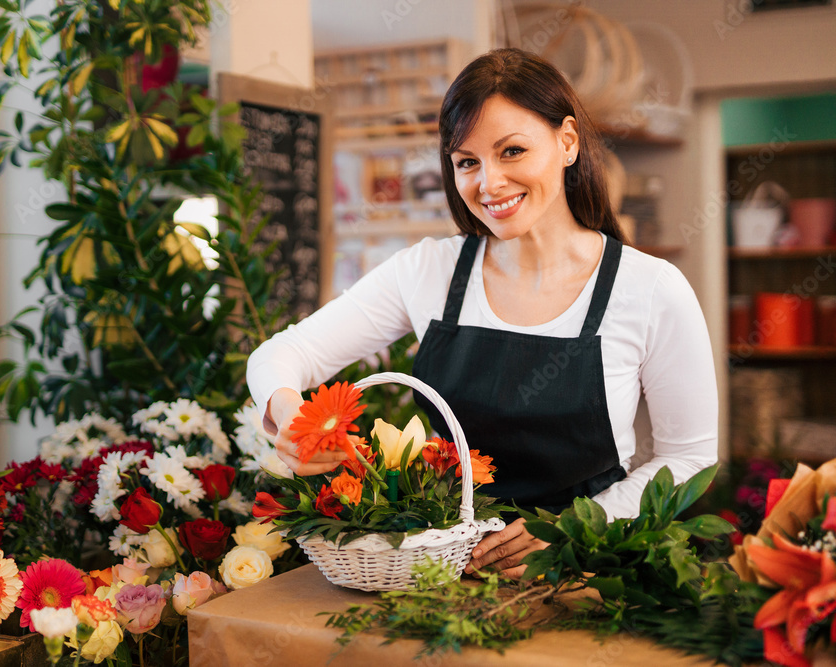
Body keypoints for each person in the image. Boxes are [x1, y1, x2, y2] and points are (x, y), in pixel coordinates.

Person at [245, 48, 717, 578]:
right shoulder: (429, 271)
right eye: (467, 161)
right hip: (440, 573)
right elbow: (282, 354)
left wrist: (573, 531)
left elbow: (689, 458)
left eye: (511, 151)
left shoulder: (650, 289)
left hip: (587, 573)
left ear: (567, 142)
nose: (488, 184)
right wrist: (291, 417)